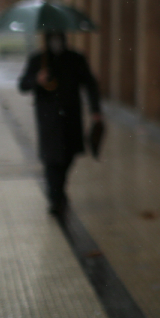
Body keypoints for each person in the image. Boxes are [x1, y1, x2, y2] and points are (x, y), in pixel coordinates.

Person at [18, 32, 101, 216]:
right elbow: (22, 84)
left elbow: (90, 83)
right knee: (52, 159)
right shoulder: (38, 60)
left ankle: (59, 192)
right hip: (48, 120)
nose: (56, 41)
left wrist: (96, 110)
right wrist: (36, 80)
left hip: (71, 117)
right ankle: (55, 199)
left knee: (67, 156)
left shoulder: (75, 59)